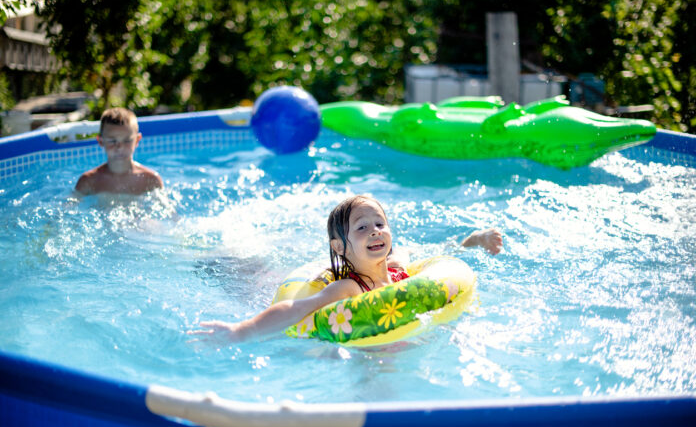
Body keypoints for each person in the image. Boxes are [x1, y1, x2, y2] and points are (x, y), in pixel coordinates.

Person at [189, 195, 503, 343]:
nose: (376, 232)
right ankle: (217, 258)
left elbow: (442, 258)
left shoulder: (397, 270)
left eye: (380, 224)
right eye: (362, 228)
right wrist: (243, 330)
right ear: (340, 247)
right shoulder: (350, 288)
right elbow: (299, 306)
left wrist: (474, 241)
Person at [74, 107, 163, 195]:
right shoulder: (88, 181)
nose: (120, 147)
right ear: (101, 141)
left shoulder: (151, 180)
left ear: (137, 140)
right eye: (112, 141)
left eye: (127, 141)